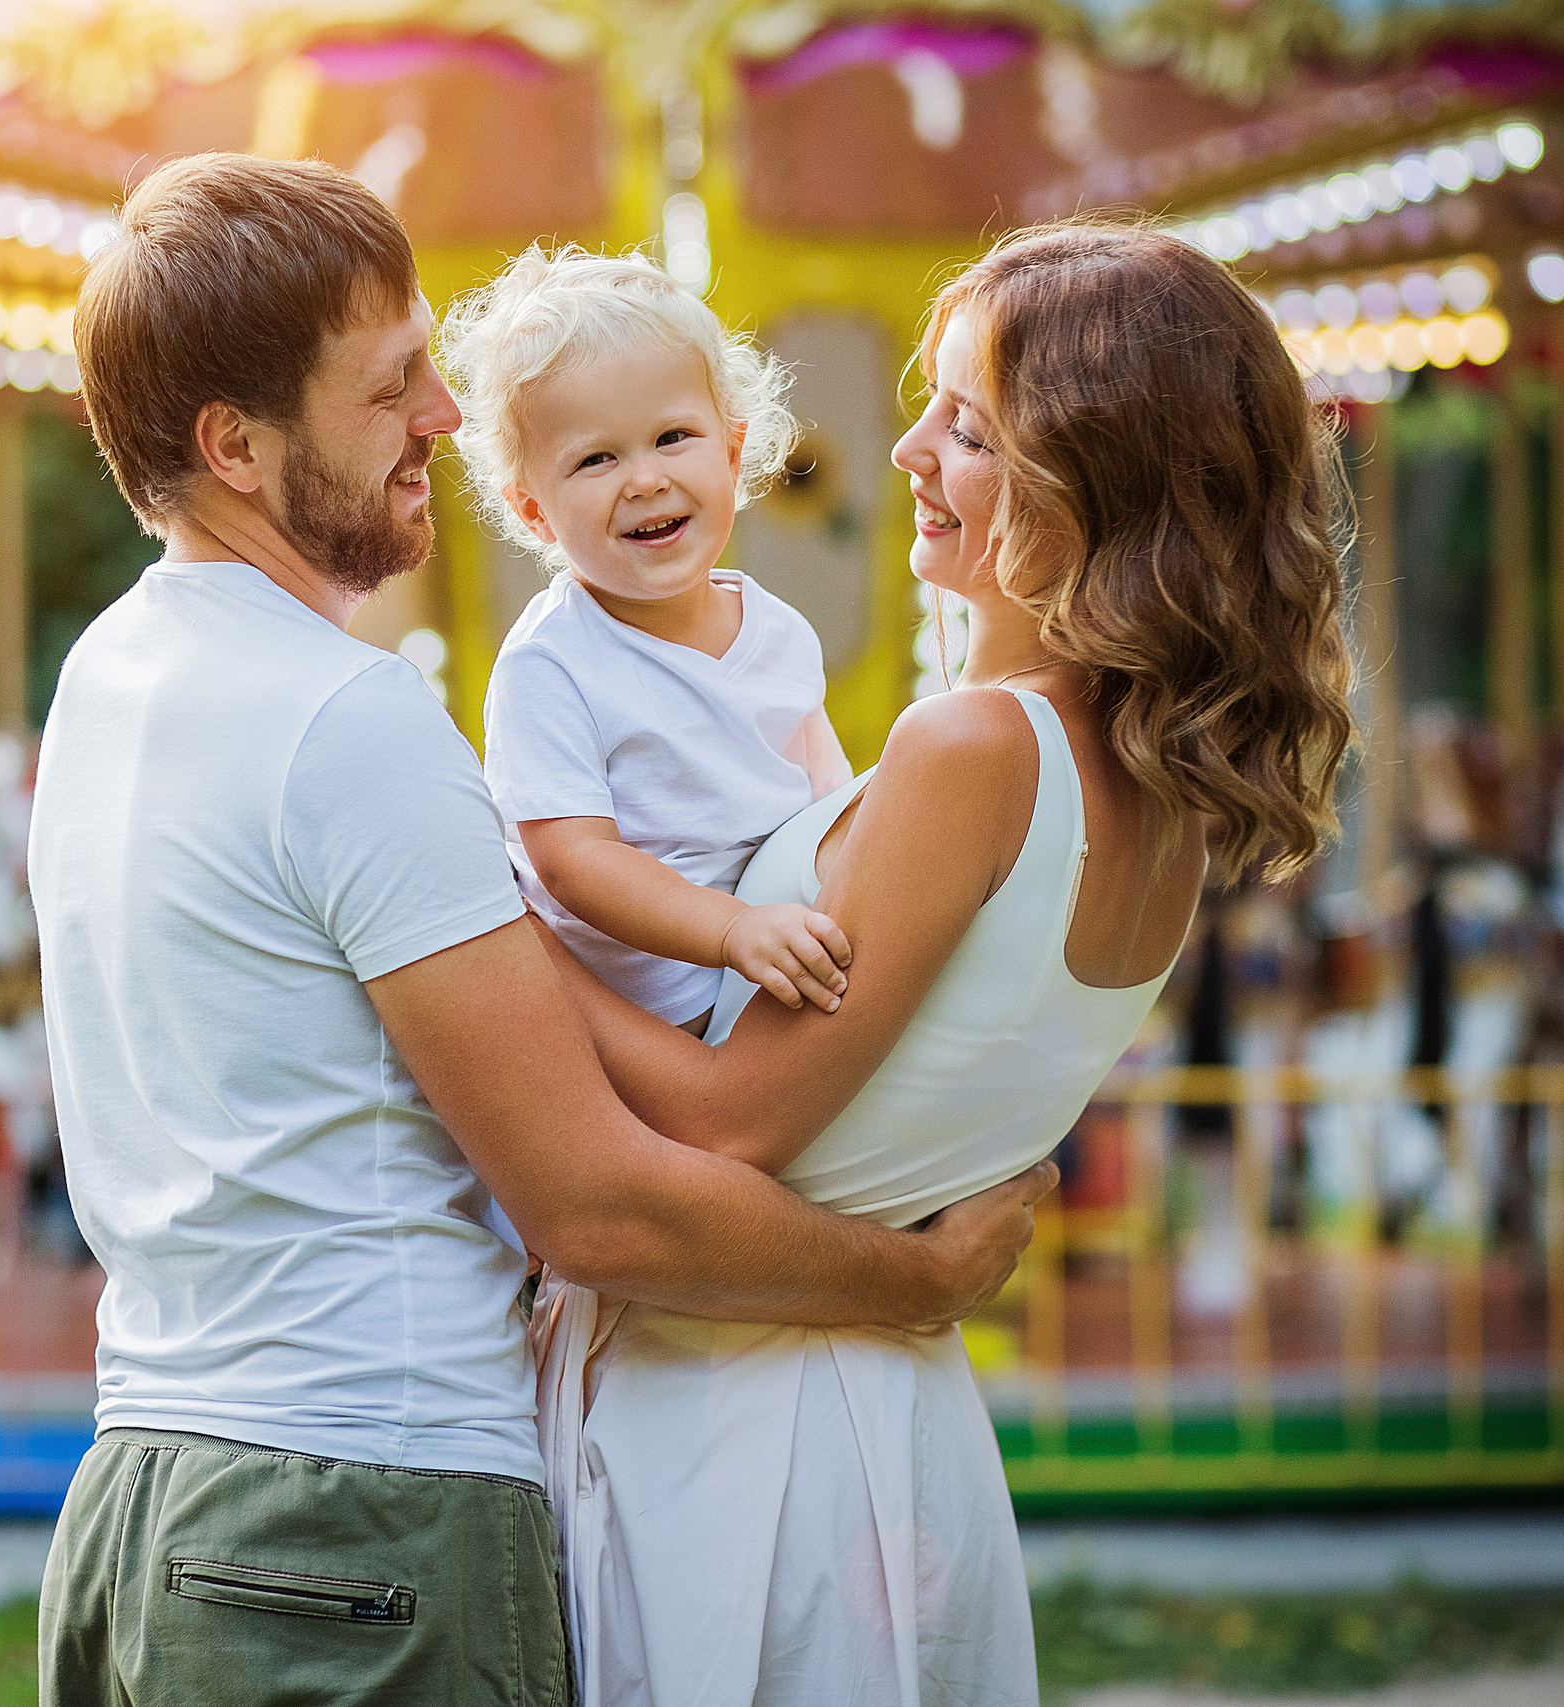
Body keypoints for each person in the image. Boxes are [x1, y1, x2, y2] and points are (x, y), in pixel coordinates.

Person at [27, 153, 1057, 1707]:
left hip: (143, 1494)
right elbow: (596, 1206)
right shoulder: (351, 722)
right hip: (360, 1512)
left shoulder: (110, 675)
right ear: (237, 446)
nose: (443, 419)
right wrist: (905, 1283)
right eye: (390, 392)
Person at [530, 224, 1358, 1706]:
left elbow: (732, 1123)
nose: (907, 446)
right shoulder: (1159, 786)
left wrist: (502, 935)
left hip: (746, 1435)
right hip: (886, 1412)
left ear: (1088, 478)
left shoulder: (977, 748)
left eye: (966, 427)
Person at [442, 248, 856, 1035]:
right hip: (652, 1014)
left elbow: (827, 800)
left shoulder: (777, 632)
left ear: (732, 454)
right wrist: (731, 930)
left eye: (673, 437)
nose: (644, 479)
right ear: (534, 512)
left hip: (777, 959)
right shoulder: (552, 664)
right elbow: (574, 861)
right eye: (596, 457)